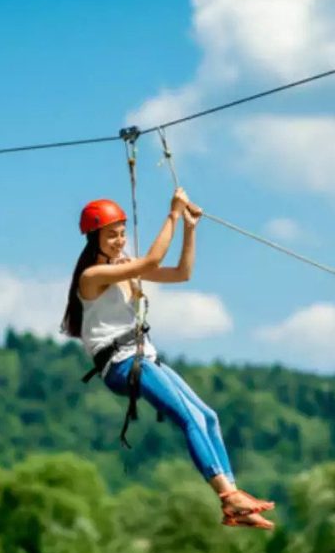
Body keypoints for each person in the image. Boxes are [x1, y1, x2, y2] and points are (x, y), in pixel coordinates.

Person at [61, 186, 275, 529]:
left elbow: (180, 273)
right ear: (93, 239)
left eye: (121, 234)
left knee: (207, 416)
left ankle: (234, 499)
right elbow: (152, 262)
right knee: (187, 418)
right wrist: (172, 214)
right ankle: (226, 496)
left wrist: (189, 228)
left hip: (143, 356)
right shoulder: (92, 277)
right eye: (111, 236)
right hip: (122, 364)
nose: (118, 241)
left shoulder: (125, 266)